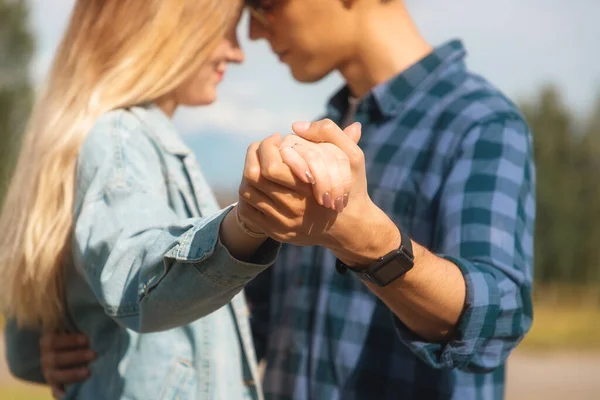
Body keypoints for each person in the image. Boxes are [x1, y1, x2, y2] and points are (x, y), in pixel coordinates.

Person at [31, 0, 536, 399]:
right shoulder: (324, 134)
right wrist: (91, 335)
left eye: (267, 3)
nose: (252, 33)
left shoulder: (480, 123)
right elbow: (247, 314)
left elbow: (501, 317)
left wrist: (372, 244)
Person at [0, 1, 359, 399]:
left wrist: (56, 349)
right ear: (163, 30)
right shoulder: (120, 138)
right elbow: (133, 277)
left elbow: (25, 350)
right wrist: (249, 222)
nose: (238, 53)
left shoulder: (89, 143)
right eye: (225, 30)